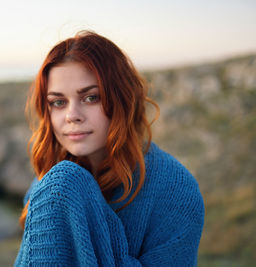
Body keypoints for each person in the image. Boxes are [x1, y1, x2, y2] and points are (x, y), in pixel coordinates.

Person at [14, 31, 204, 266]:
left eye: (91, 98)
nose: (72, 116)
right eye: (58, 102)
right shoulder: (46, 183)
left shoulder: (175, 190)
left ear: (121, 99)